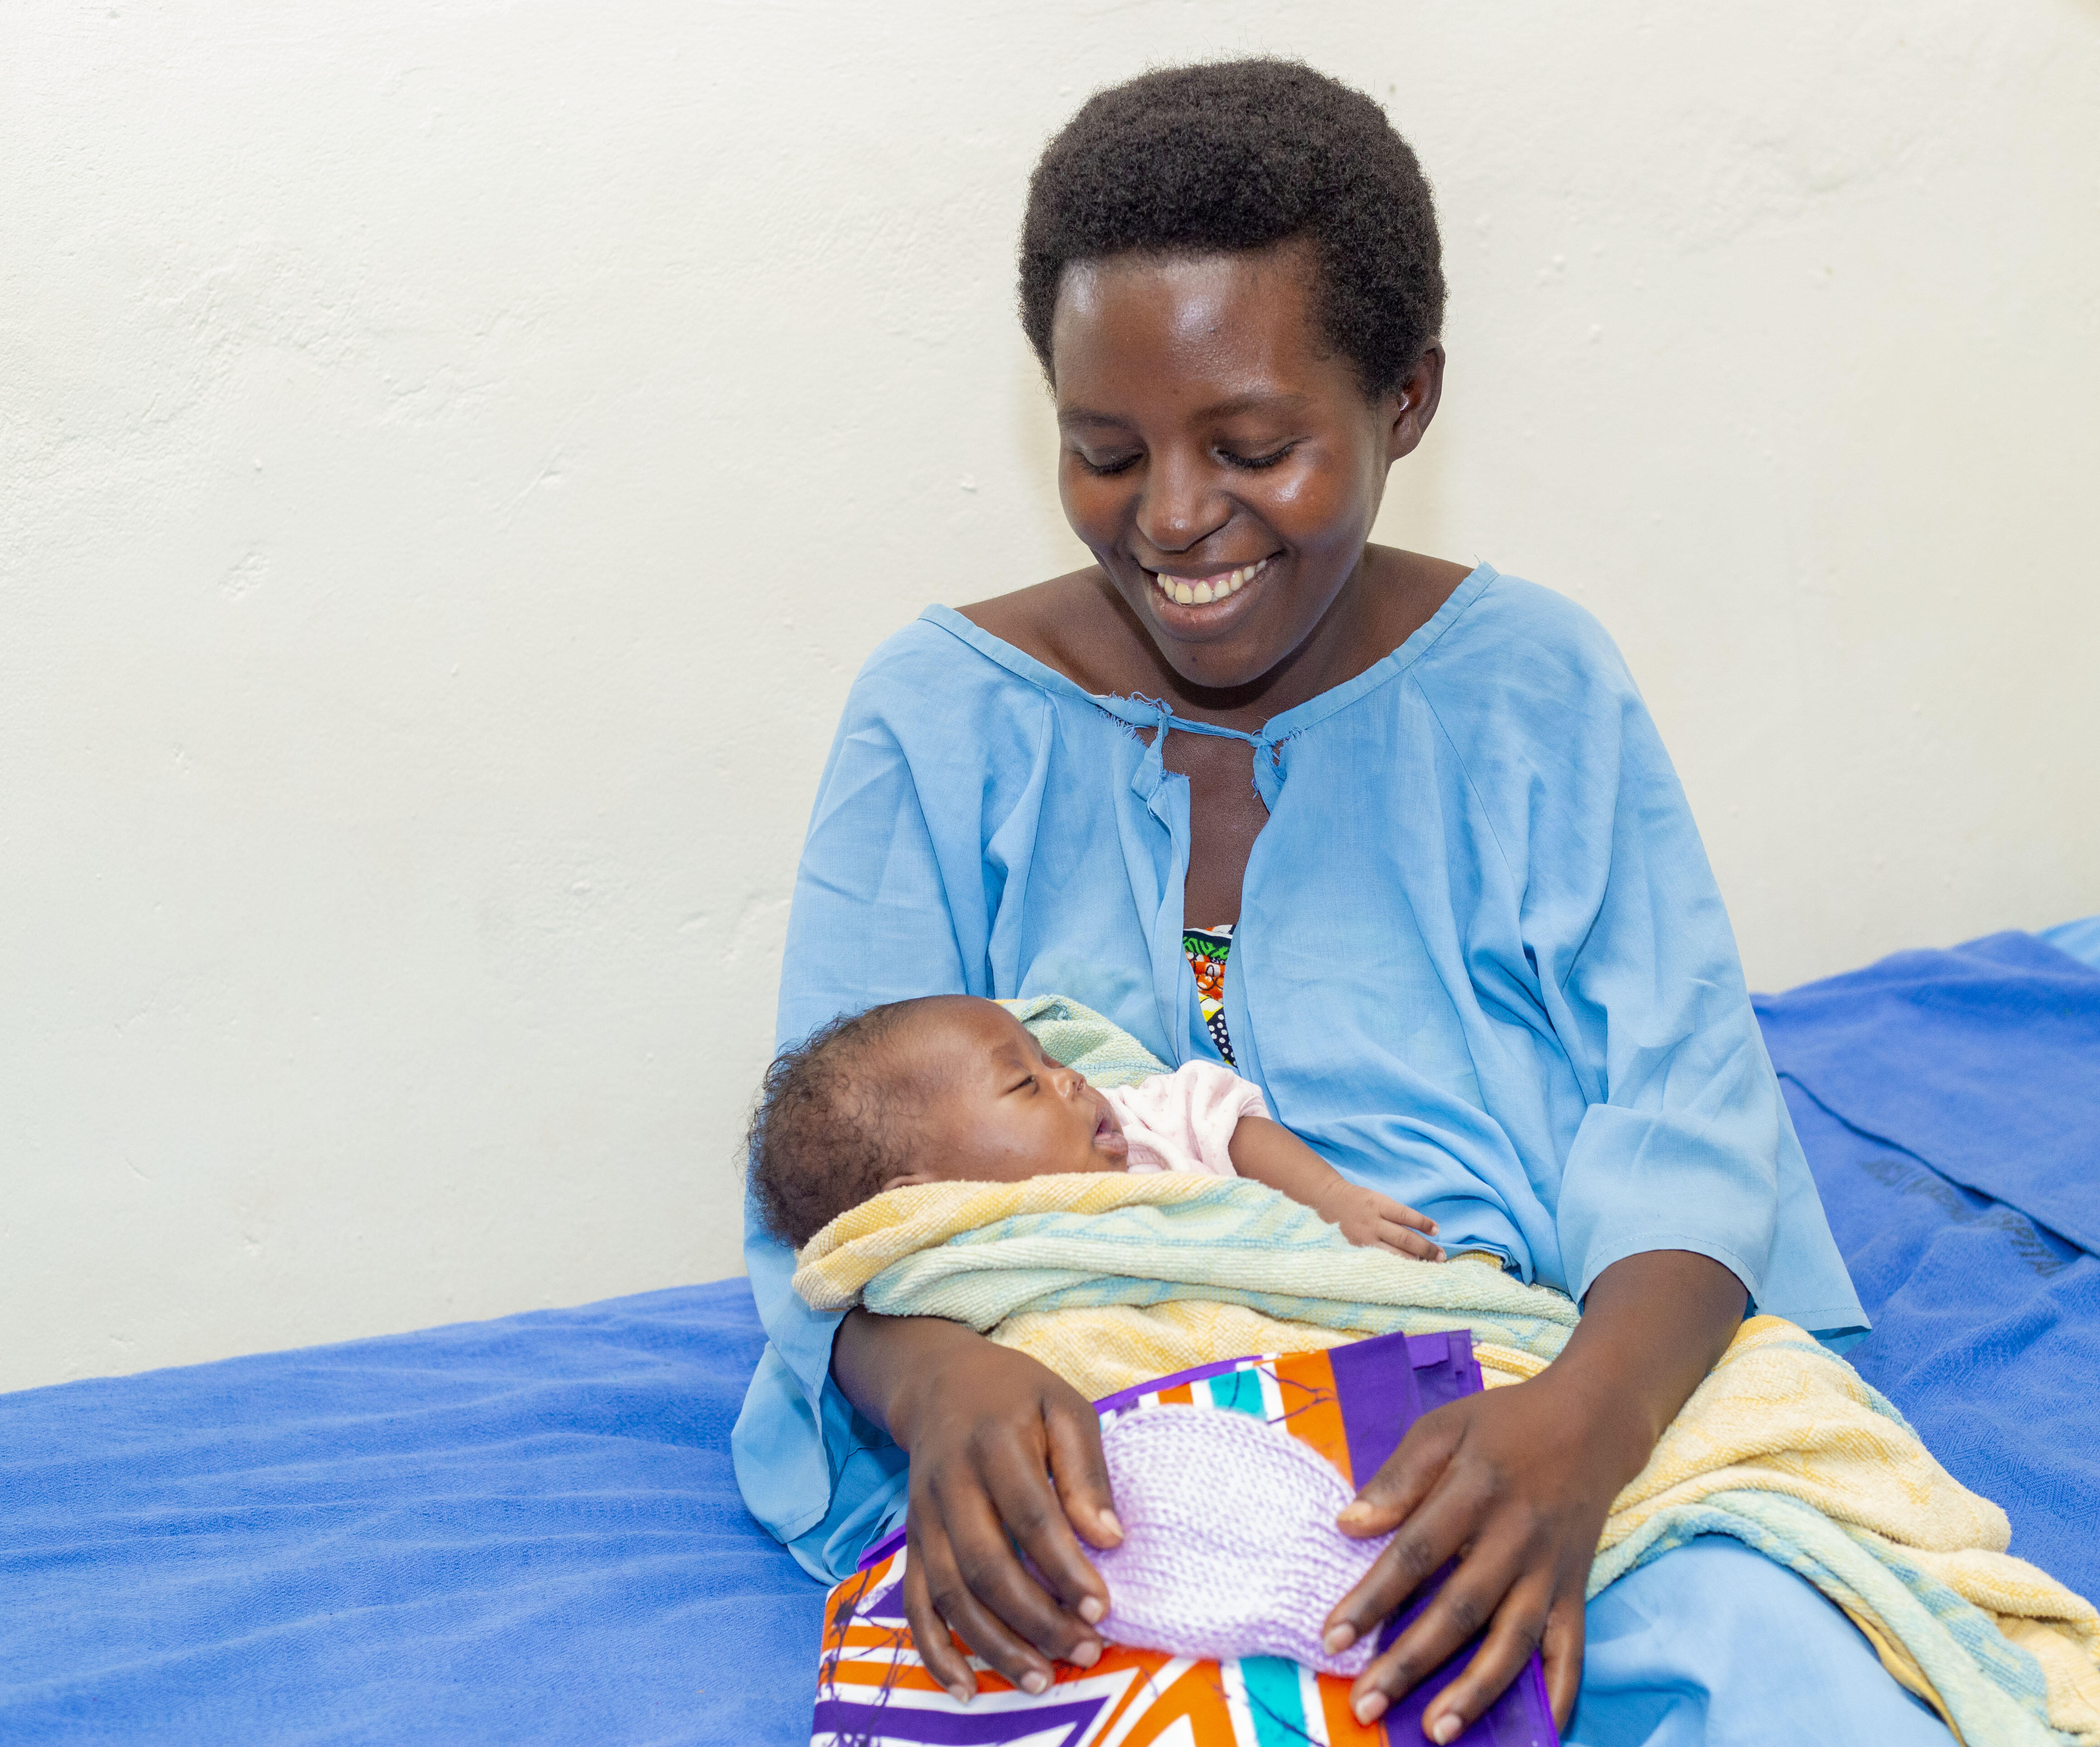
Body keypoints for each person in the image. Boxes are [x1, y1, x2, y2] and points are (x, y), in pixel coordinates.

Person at [738, 57, 1953, 1746]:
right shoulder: (937, 720)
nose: (1172, 520)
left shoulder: (1539, 693)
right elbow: (836, 1194)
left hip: (1503, 1404)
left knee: (1799, 1681)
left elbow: (1692, 1126)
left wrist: (1580, 1445)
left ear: (1406, 402)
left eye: (1252, 446)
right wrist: (944, 1384)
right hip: (1091, 1430)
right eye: (1105, 452)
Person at [747, 993, 1443, 1258]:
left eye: (1048, 1059)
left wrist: (1335, 1201)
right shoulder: (966, 1258)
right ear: (921, 1201)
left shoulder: (1142, 1125)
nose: (1070, 1078)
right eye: (1026, 1082)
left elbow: (1229, 1125)